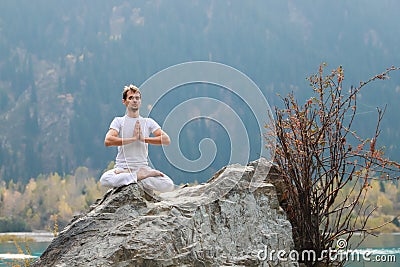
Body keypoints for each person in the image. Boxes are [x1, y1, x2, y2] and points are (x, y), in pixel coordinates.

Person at [99, 84, 175, 193]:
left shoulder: (148, 122)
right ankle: (138, 177)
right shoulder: (118, 121)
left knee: (168, 184)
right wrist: (133, 139)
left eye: (137, 98)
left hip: (142, 168)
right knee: (105, 179)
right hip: (122, 169)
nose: (134, 100)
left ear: (140, 101)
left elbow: (166, 139)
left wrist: (143, 139)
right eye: (131, 98)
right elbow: (108, 140)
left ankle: (135, 178)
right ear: (124, 102)